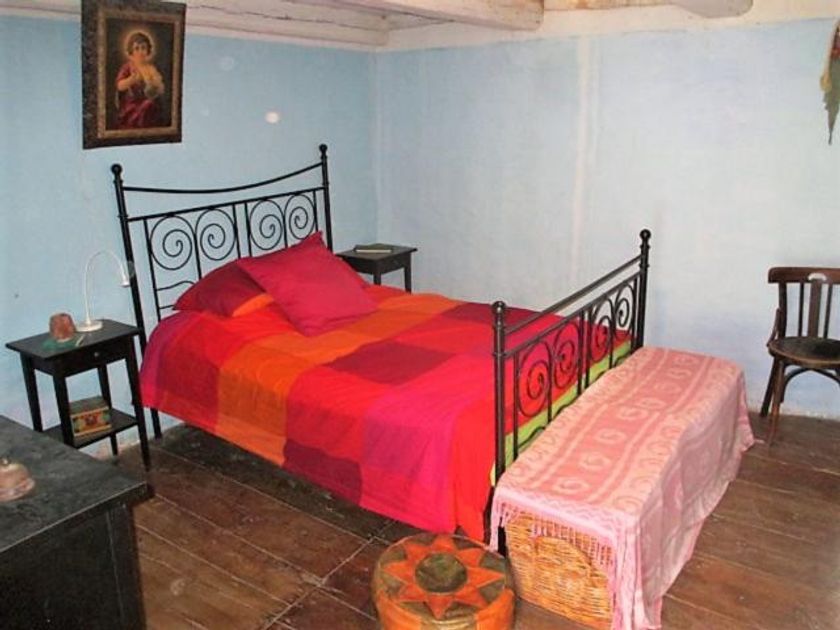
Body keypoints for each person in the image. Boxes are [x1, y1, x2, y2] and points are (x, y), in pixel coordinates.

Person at [115, 31, 166, 129]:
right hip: (132, 105)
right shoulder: (128, 67)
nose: (140, 52)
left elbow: (160, 89)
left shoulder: (151, 68)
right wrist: (131, 79)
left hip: (149, 102)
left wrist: (156, 85)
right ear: (131, 51)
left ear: (148, 50)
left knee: (151, 105)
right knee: (148, 105)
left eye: (143, 48)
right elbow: (119, 86)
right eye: (137, 48)